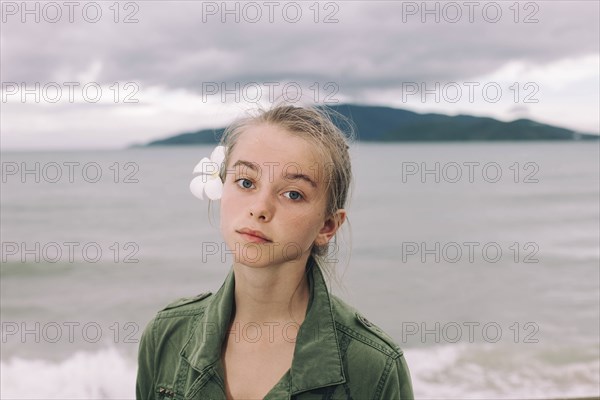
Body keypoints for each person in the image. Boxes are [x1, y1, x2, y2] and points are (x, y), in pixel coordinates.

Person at [136, 104, 413, 399]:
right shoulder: (166, 335)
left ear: (327, 226)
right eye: (246, 182)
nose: (259, 208)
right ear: (221, 186)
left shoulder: (374, 367)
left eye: (293, 194)